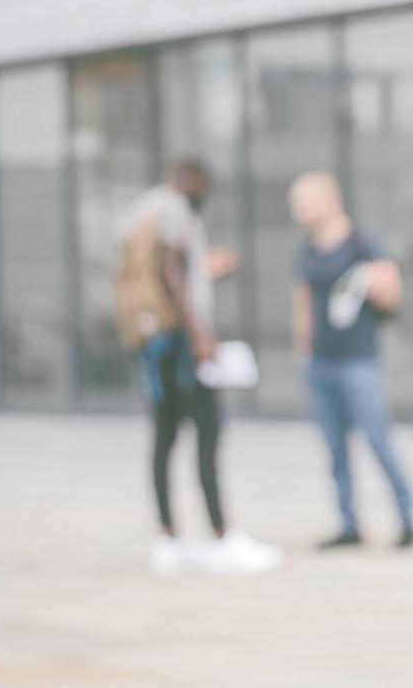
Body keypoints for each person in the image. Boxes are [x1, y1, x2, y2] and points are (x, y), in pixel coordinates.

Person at [116, 158, 283, 576]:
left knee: (165, 436)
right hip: (178, 343)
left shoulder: (143, 209)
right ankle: (223, 536)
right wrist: (199, 334)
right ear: (192, 180)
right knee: (207, 430)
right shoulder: (174, 209)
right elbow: (171, 269)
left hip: (152, 340)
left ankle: (170, 540)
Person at [289, 171, 413, 549]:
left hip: (358, 362)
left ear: (331, 199)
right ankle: (348, 525)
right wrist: (304, 351)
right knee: (334, 450)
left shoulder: (364, 244)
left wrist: (373, 283)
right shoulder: (307, 251)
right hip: (321, 363)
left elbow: (392, 295)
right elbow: (303, 304)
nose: (300, 209)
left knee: (378, 440)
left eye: (306, 199)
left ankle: (407, 519)